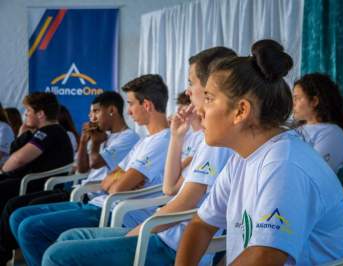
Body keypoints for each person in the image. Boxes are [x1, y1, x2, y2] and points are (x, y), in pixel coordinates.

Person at [41, 46, 236, 266]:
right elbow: (169, 188)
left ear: (211, 87)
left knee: (55, 255)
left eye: (191, 83)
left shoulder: (216, 143)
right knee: (67, 238)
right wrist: (177, 137)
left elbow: (178, 202)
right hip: (161, 234)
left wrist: (135, 234)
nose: (188, 91)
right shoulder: (202, 140)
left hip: (169, 245)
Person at [175, 39, 343, 265]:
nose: (200, 110)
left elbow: (264, 257)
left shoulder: (284, 164)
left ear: (241, 111)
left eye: (208, 98)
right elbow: (201, 224)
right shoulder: (242, 159)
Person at [10, 75, 171, 266]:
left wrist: (120, 180)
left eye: (130, 104)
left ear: (146, 105)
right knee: (18, 216)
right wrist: (121, 179)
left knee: (30, 228)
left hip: (114, 212)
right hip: (99, 202)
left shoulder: (161, 141)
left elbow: (116, 188)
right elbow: (108, 181)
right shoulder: (146, 140)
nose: (128, 111)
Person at [0, 91, 139, 266]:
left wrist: (95, 144)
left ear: (111, 110)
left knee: (26, 219)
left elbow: (95, 163)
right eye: (90, 113)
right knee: (19, 214)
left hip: (94, 197)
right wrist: (83, 142)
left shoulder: (129, 137)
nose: (91, 117)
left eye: (96, 111)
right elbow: (82, 168)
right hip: (82, 191)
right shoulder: (103, 136)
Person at [0, 93, 73, 211]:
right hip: (33, 180)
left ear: (40, 114)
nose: (25, 114)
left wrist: (2, 171)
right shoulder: (46, 131)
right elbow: (15, 153)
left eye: (28, 110)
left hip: (41, 184)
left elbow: (19, 160)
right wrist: (21, 135)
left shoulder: (49, 132)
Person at [292, 73, 343, 173]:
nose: (292, 103)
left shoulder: (333, 134)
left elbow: (312, 172)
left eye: (297, 98)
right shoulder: (295, 129)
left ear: (314, 101)